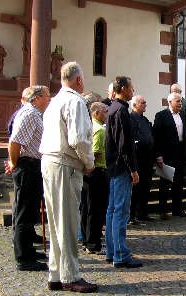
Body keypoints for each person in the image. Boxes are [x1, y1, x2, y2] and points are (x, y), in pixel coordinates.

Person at [39, 62, 97, 293]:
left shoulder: (54, 103)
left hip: (50, 162)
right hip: (65, 164)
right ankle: (70, 276)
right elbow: (79, 139)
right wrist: (89, 162)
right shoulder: (75, 101)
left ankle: (55, 274)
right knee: (68, 223)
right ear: (79, 80)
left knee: (55, 223)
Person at [6, 85, 51, 271]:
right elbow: (15, 142)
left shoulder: (34, 113)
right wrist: (15, 163)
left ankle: (29, 250)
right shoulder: (30, 113)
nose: (49, 99)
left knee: (30, 211)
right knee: (24, 213)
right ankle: (24, 258)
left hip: (32, 166)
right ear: (37, 97)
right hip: (28, 167)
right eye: (47, 96)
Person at [105, 76, 141, 268]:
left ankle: (112, 251)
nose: (133, 91)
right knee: (120, 210)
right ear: (124, 89)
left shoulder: (112, 108)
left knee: (112, 210)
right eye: (132, 88)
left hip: (113, 167)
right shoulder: (121, 111)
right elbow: (124, 145)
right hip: (121, 169)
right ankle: (120, 254)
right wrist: (133, 169)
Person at [153, 92, 186, 219]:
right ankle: (163, 211)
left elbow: (185, 136)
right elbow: (156, 137)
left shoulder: (183, 116)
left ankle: (177, 209)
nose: (180, 103)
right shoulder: (161, 116)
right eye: (178, 101)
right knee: (164, 184)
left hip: (180, 154)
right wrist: (158, 155)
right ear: (170, 102)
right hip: (166, 155)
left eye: (181, 101)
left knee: (179, 183)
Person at [80, 102, 108, 254]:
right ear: (96, 113)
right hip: (96, 171)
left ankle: (86, 240)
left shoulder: (90, 127)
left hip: (89, 172)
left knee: (87, 208)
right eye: (104, 111)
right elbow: (95, 152)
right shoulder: (99, 130)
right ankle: (93, 243)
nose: (106, 114)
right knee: (95, 210)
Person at [129, 95, 155, 223]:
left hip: (148, 159)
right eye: (142, 103)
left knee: (146, 186)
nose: (145, 104)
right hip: (137, 159)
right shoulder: (130, 119)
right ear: (134, 105)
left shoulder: (145, 120)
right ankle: (131, 214)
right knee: (135, 188)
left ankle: (142, 212)